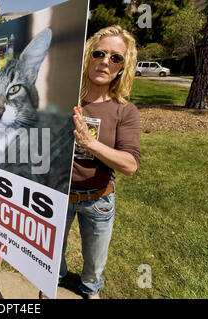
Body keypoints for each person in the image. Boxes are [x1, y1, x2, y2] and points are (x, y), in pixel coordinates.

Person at [41, 25, 141, 299]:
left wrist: (90, 143)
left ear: (122, 66)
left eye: (116, 57)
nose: (106, 61)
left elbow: (130, 164)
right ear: (88, 57)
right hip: (56, 197)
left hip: (99, 200)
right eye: (99, 53)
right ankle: (52, 282)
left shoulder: (125, 110)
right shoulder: (62, 99)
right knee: (50, 251)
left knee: (94, 263)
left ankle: (89, 290)